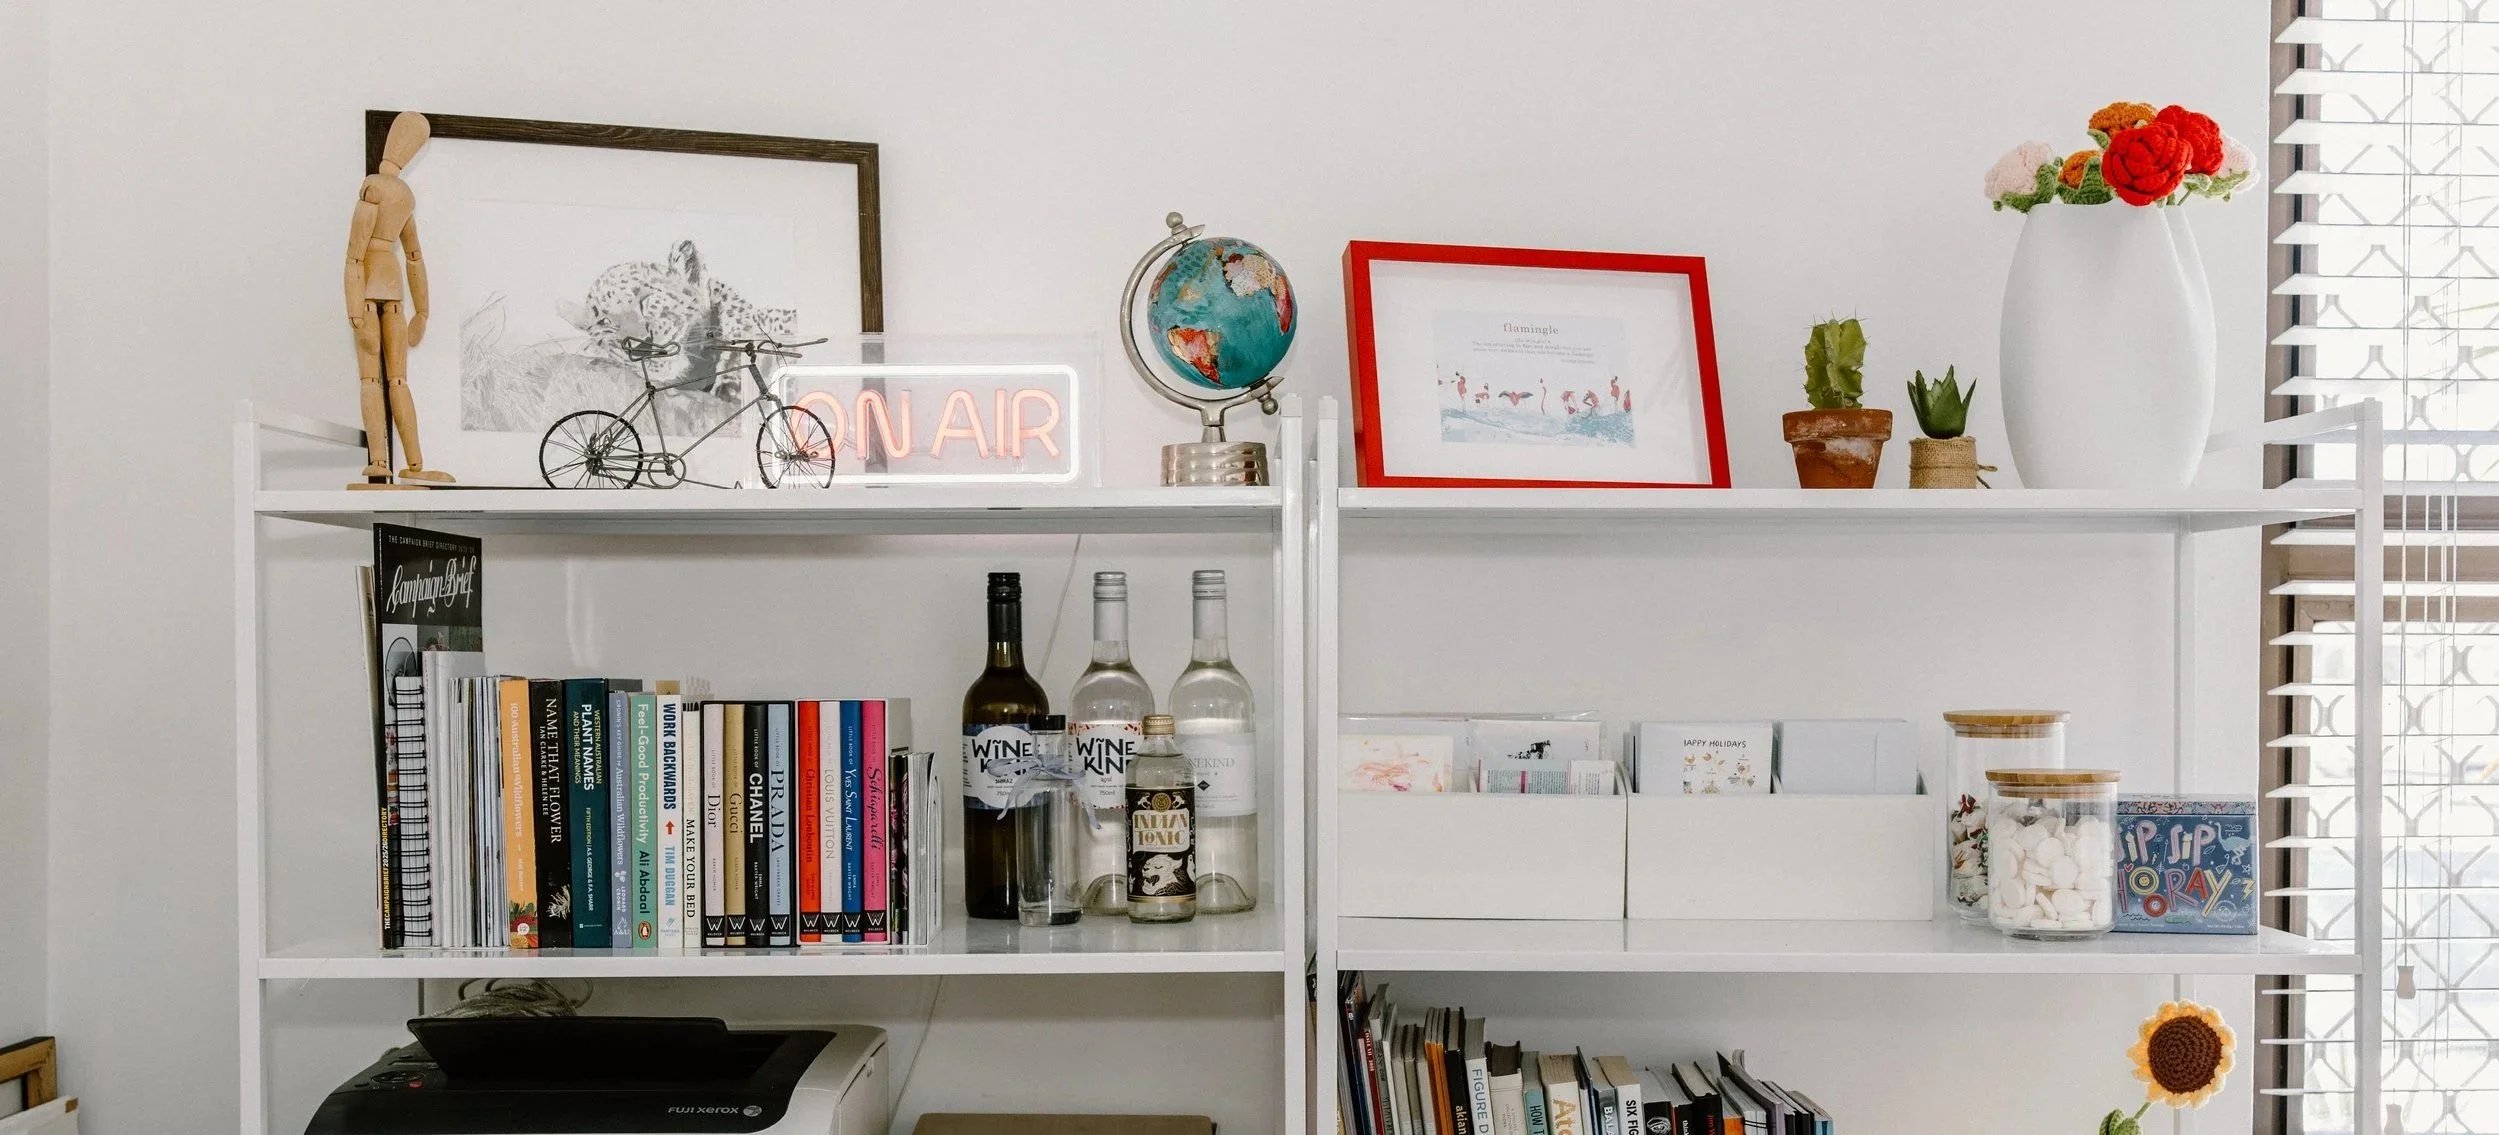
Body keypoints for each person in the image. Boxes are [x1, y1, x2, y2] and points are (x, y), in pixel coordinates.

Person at [345, 111, 454, 487]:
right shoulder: (405, 196)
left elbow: (354, 254)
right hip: (395, 296)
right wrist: (421, 310)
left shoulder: (374, 186)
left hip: (371, 292)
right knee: (399, 382)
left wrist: (355, 310)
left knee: (371, 380)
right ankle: (414, 462)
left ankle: (380, 461)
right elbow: (414, 256)